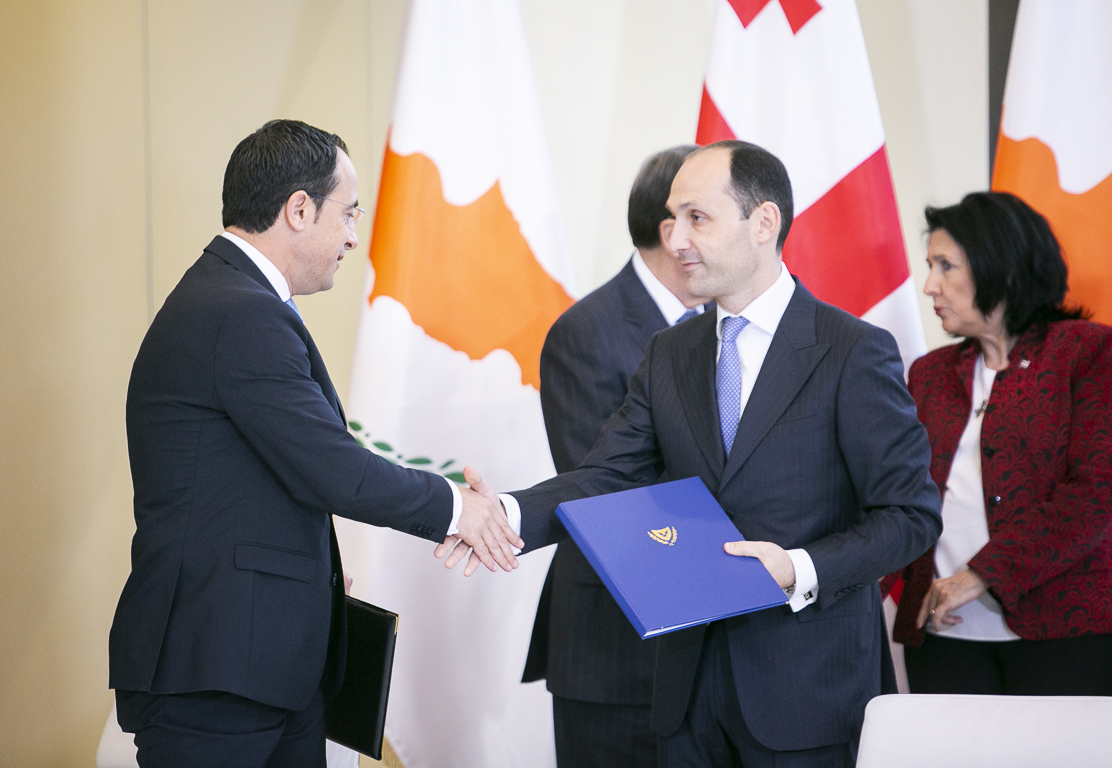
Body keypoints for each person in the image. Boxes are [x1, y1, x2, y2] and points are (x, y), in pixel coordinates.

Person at [442, 140, 941, 767]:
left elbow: (909, 514)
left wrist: (798, 568)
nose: (675, 239)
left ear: (763, 223)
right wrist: (503, 516)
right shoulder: (669, 353)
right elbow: (604, 475)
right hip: (685, 694)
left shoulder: (852, 350)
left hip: (807, 691)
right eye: (673, 218)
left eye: (696, 218)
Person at [108, 119, 520, 768]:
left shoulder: (230, 299)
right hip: (218, 673)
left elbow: (261, 482)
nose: (354, 236)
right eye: (349, 213)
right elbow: (335, 471)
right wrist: (457, 508)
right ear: (299, 209)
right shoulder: (239, 311)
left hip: (259, 663)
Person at [522, 145, 708, 768]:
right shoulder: (587, 332)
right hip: (617, 651)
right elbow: (606, 489)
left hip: (713, 652)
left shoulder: (725, 324)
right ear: (674, 231)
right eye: (709, 216)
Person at [884, 191, 1112, 695]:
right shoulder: (929, 374)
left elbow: (1095, 494)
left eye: (946, 266)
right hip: (941, 640)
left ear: (1003, 269)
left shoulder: (1088, 352)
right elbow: (898, 492)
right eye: (930, 266)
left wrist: (981, 574)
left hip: (1064, 635)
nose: (929, 285)